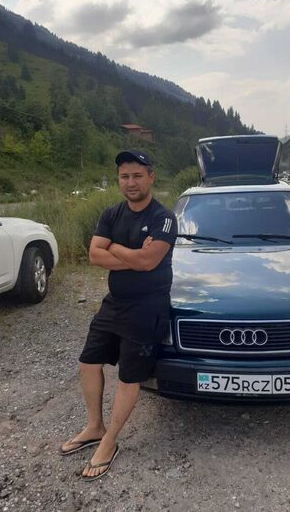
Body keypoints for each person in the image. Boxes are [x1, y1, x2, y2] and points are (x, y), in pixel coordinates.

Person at [60, 149, 178, 481]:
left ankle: (109, 442)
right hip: (114, 303)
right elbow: (94, 255)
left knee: (129, 376)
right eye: (124, 176)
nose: (130, 182)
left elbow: (149, 262)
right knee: (88, 362)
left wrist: (114, 248)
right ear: (118, 180)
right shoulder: (111, 213)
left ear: (151, 177)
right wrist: (132, 254)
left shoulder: (164, 218)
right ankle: (95, 426)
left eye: (137, 175)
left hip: (147, 307)